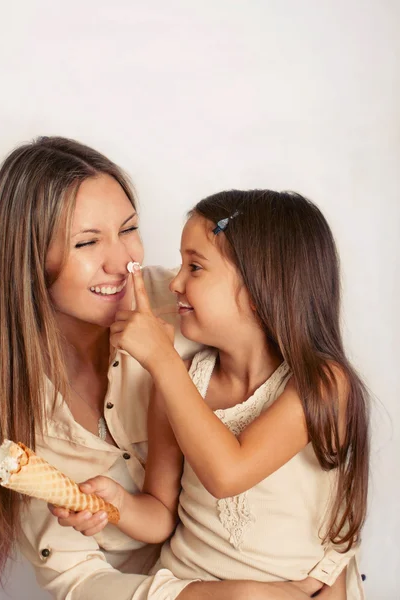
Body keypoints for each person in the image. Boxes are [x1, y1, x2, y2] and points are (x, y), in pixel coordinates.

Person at [0, 137, 342, 600]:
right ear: (27, 263)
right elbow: (82, 579)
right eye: (86, 241)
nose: (123, 261)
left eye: (129, 229)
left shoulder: (194, 302)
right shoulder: (5, 401)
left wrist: (336, 566)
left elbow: (318, 444)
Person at [61, 190, 369, 599]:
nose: (175, 282)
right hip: (192, 587)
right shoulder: (182, 381)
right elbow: (159, 515)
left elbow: (229, 475)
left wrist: (161, 358)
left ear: (262, 289)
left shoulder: (323, 386)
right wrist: (113, 502)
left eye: (195, 267)